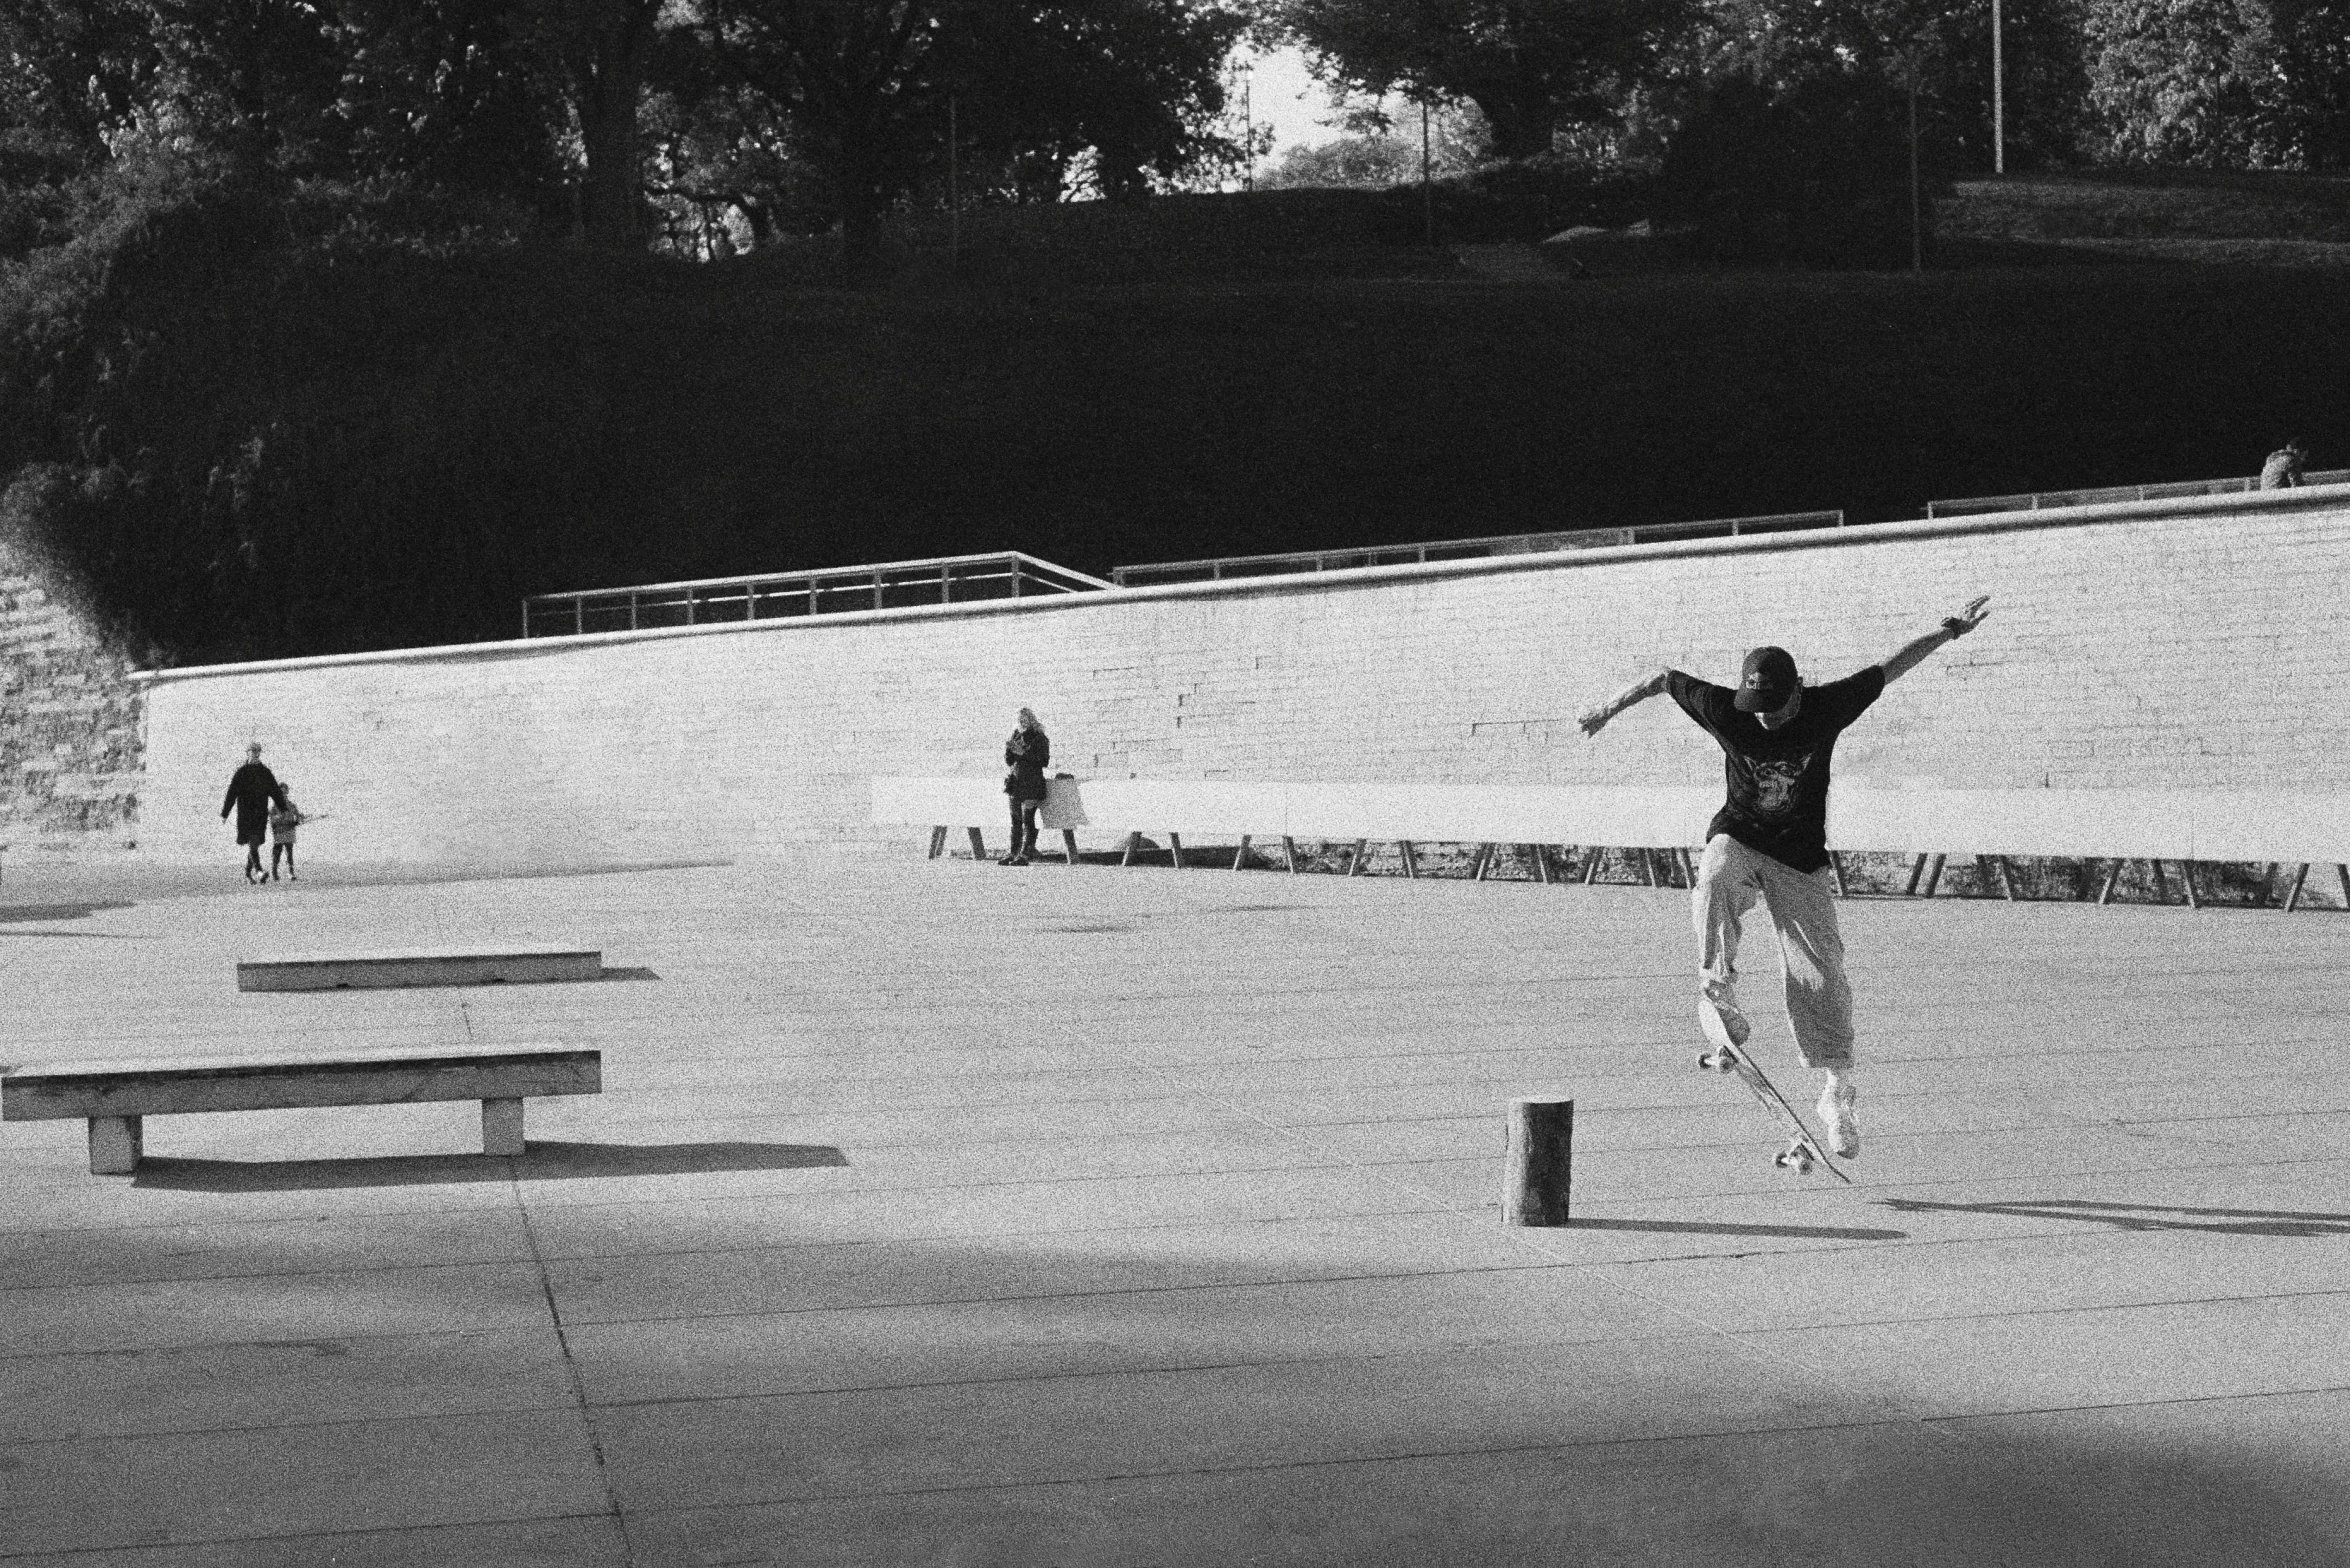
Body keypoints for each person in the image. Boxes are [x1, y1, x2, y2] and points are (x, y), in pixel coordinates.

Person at [1576, 596, 1993, 1159]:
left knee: (1820, 977)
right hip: (1742, 836)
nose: (1764, 716)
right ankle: (1717, 992)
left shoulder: (1828, 706)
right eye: (1757, 707)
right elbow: (1661, 679)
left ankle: (1836, 1091)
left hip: (1800, 858)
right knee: (1716, 872)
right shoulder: (1727, 709)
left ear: (1799, 690)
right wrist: (1606, 709)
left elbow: (1891, 667)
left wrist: (1948, 631)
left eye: (1775, 706)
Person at [220, 743, 289, 885]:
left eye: (258, 751)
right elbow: (231, 793)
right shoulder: (241, 772)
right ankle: (259, 871)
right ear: (247, 753)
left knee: (255, 844)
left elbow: (275, 792)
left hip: (260, 814)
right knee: (252, 842)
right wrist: (225, 813)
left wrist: (284, 809)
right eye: (253, 751)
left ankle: (247, 873)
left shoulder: (265, 773)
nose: (255, 754)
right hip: (245, 814)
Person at [1001, 708, 1050, 865]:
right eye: (1019, 720)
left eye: (1025, 720)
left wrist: (1023, 753)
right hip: (1016, 783)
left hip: (1032, 784)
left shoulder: (1039, 737)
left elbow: (1043, 761)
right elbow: (1009, 762)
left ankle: (1025, 854)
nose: (1021, 723)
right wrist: (1010, 750)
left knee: (1027, 819)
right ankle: (1013, 852)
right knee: (1015, 820)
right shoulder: (1016, 735)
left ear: (1031, 720)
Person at [267, 785, 308, 882]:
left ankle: (291, 872)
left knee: (289, 853)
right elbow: (272, 819)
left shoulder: (291, 805)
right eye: (281, 792)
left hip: (289, 832)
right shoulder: (274, 807)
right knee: (277, 853)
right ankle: (274, 873)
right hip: (279, 832)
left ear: (287, 793)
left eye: (285, 792)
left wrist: (299, 818)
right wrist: (280, 817)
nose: (283, 794)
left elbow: (297, 816)